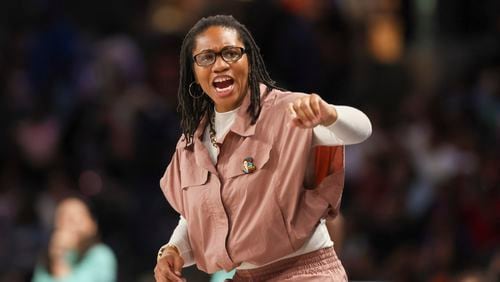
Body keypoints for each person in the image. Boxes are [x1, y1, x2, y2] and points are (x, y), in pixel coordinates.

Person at [154, 15, 372, 282]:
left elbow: (362, 130)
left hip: (305, 271)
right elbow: (197, 218)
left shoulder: (286, 111)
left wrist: (329, 115)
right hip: (244, 276)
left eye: (230, 53)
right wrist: (172, 251)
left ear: (250, 60)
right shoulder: (189, 146)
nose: (220, 65)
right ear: (194, 72)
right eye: (206, 57)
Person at [32, 197, 117, 282]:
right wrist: (58, 256)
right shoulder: (47, 258)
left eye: (76, 218)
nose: (69, 226)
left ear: (92, 225)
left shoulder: (101, 255)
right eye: (63, 218)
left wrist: (60, 262)